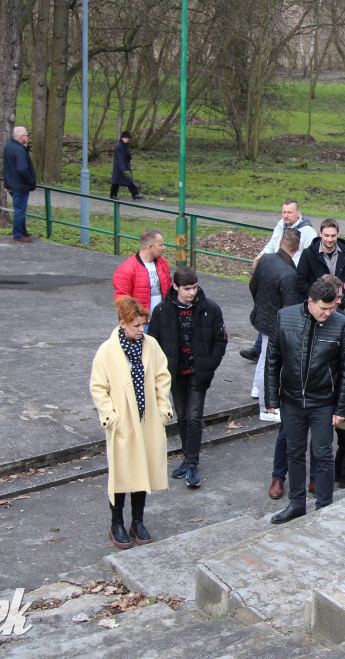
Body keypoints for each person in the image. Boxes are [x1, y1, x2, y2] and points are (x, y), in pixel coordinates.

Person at [264, 279, 345, 524]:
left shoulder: (341, 324)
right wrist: (272, 397)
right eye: (323, 308)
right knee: (294, 452)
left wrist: (340, 407)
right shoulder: (285, 318)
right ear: (310, 302)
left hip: (324, 400)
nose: (327, 313)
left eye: (331, 308)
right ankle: (296, 505)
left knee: (323, 453)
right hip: (292, 400)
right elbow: (272, 360)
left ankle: (325, 505)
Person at [90, 296, 173, 549]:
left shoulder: (151, 345)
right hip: (123, 422)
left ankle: (137, 521)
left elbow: (162, 377)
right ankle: (116, 523)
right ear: (123, 323)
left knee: (142, 469)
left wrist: (162, 408)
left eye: (143, 324)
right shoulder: (107, 350)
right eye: (136, 325)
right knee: (121, 472)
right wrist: (110, 416)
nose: (141, 329)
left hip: (146, 419)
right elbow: (98, 386)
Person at [147, 266, 228, 489]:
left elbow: (220, 340)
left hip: (197, 372)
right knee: (181, 417)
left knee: (193, 417)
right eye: (187, 288)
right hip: (174, 374)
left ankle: (192, 463)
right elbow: (152, 343)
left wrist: (209, 365)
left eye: (194, 287)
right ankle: (187, 456)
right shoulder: (162, 310)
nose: (192, 292)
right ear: (175, 287)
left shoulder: (210, 309)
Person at [241, 200, 316, 362]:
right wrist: (262, 255)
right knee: (272, 309)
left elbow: (309, 255)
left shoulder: (308, 232)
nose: (286, 215)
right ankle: (260, 347)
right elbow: (272, 244)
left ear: (298, 213)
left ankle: (275, 349)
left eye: (289, 212)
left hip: (291, 276)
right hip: (277, 271)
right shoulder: (281, 225)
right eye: (284, 212)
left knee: (284, 311)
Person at [249, 229, 302, 422]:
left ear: (280, 242)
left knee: (264, 356)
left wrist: (260, 305)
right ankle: (266, 407)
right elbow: (289, 307)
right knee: (268, 362)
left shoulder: (266, 259)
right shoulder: (289, 274)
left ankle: (257, 388)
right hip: (275, 323)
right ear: (297, 248)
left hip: (262, 315)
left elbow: (252, 285)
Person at [296, 218, 345, 309]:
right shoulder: (309, 253)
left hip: (338, 305)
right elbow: (301, 279)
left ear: (338, 234)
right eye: (326, 235)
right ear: (321, 234)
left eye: (333, 236)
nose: (330, 239)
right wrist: (314, 298)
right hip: (316, 305)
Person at [113, 229, 171, 315]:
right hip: (141, 324)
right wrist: (137, 321)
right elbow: (122, 301)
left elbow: (169, 290)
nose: (164, 248)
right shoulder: (126, 269)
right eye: (161, 245)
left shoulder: (163, 263)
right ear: (150, 247)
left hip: (162, 321)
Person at [2, 126, 36, 243]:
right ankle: (18, 234)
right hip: (19, 185)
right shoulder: (19, 150)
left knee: (19, 209)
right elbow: (22, 168)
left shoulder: (9, 146)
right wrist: (30, 180)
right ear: (22, 137)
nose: (28, 137)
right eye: (27, 135)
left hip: (11, 183)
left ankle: (23, 231)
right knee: (20, 210)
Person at [110, 130, 142, 200]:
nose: (127, 139)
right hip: (120, 168)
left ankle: (135, 194)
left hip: (125, 166)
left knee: (129, 180)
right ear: (123, 138)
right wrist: (123, 169)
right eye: (127, 138)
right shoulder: (119, 146)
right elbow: (119, 159)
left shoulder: (125, 145)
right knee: (116, 182)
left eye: (128, 138)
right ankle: (113, 195)